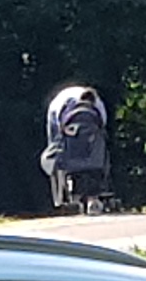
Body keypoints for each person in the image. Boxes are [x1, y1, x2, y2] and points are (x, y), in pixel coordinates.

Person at [40, 82, 112, 211]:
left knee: (77, 156)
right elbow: (59, 132)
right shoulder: (61, 104)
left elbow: (100, 128)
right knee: (57, 151)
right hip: (59, 117)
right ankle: (62, 196)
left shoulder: (98, 105)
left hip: (80, 127)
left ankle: (76, 196)